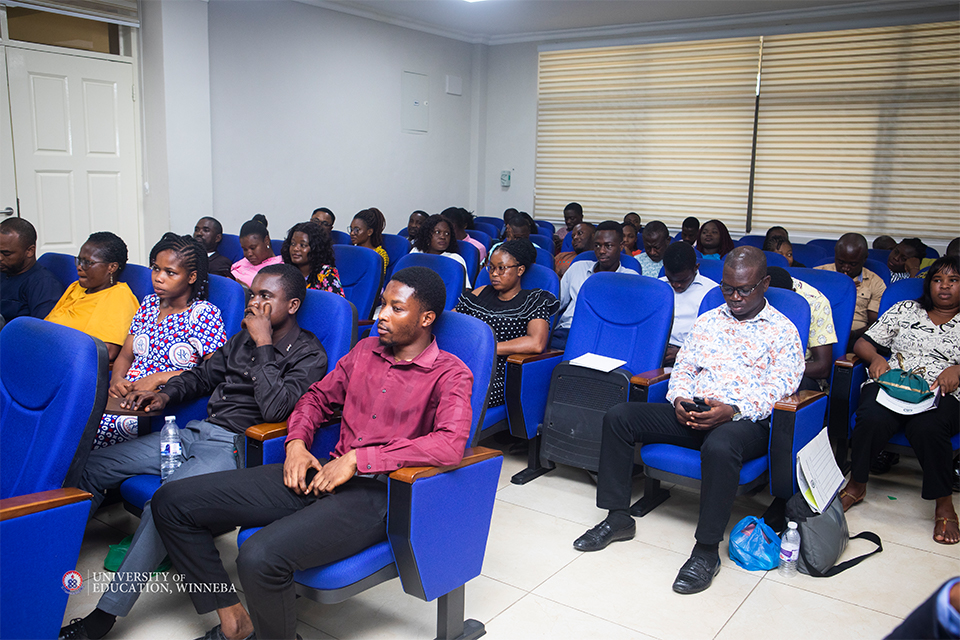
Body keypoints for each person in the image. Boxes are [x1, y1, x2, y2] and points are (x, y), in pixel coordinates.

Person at [150, 267, 473, 640]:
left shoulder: (451, 374)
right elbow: (315, 398)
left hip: (378, 494)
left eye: (396, 308)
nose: (382, 315)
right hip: (322, 472)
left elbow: (449, 444)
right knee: (171, 501)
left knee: (258, 557)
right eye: (382, 303)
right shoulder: (365, 351)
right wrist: (297, 444)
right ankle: (234, 620)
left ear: (426, 318)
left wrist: (359, 459)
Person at [58, 265, 327, 640]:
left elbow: (276, 410)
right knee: (92, 466)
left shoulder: (309, 354)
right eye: (253, 294)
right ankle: (50, 564)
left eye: (266, 296)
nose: (254, 303)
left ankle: (105, 614)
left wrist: (264, 344)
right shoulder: (241, 339)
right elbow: (202, 376)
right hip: (195, 432)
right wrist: (165, 394)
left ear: (293, 305)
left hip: (236, 447)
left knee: (164, 503)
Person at [572, 247, 804, 595]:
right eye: (728, 288)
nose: (735, 297)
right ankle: (617, 517)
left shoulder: (783, 331)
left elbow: (781, 388)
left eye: (744, 289)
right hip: (694, 410)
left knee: (720, 445)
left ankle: (706, 551)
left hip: (745, 422)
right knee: (620, 417)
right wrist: (679, 399)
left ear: (765, 283)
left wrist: (731, 410)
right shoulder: (709, 320)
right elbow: (683, 368)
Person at [838, 256, 959, 546]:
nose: (944, 286)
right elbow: (863, 342)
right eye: (938, 280)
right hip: (893, 383)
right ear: (928, 284)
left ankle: (943, 503)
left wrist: (958, 370)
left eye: (953, 281)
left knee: (927, 427)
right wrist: (876, 358)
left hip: (941, 391)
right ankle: (857, 484)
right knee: (872, 417)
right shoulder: (906, 309)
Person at [96, 234, 227, 449]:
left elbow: (215, 371)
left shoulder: (203, 314)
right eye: (156, 269)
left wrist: (157, 379)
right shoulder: (148, 305)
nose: (159, 277)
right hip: (125, 397)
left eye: (170, 272)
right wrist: (117, 380)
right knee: (75, 419)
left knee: (88, 433)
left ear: (192, 277)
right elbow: (126, 356)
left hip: (162, 402)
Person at [455, 240, 559, 407]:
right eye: (491, 268)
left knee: (453, 392)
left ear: (520, 270)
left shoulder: (534, 300)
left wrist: (488, 348)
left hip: (499, 372)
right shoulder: (481, 292)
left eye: (501, 268)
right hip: (465, 362)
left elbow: (536, 343)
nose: (494, 274)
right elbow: (451, 324)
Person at [45, 231, 139, 363]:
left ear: (112, 267)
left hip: (70, 363)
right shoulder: (76, 287)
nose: (79, 267)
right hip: (47, 352)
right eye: (79, 260)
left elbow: (106, 351)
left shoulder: (118, 297)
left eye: (88, 262)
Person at [551, 221, 638, 350]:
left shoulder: (631, 278)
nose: (601, 251)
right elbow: (556, 304)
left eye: (608, 246)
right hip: (568, 331)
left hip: (606, 336)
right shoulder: (577, 268)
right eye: (597, 245)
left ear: (621, 246)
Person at [767, 267, 837, 391]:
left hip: (801, 374)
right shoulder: (751, 294)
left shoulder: (815, 302)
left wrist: (774, 370)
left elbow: (823, 368)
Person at [815, 232, 886, 348]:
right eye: (841, 262)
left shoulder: (875, 282)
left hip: (855, 337)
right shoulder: (818, 274)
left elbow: (875, 324)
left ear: (865, 258)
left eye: (853, 264)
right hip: (819, 333)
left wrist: (853, 334)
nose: (845, 268)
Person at [660, 242, 717, 367]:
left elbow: (714, 340)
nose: (676, 285)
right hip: (657, 349)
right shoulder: (658, 287)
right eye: (671, 279)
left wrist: (683, 353)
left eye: (682, 280)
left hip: (691, 355)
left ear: (696, 267)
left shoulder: (711, 292)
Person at [0, 217, 64, 322]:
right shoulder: (4, 271)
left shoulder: (44, 284)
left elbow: (42, 328)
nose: (0, 258)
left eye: (6, 253)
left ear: (30, 251)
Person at [280, 221, 344, 296]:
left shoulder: (326, 273)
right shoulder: (286, 272)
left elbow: (338, 301)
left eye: (303, 245)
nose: (295, 248)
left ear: (316, 248)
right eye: (293, 244)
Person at [410, 214, 470, 289]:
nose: (443, 237)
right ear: (427, 234)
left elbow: (465, 289)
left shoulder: (455, 259)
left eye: (447, 233)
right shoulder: (416, 253)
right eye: (437, 232)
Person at [230, 215, 283, 288]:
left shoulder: (279, 268)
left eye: (253, 248)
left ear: (266, 241)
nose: (249, 254)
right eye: (245, 249)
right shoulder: (242, 262)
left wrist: (248, 291)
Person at [349, 207, 389, 276]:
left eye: (357, 230)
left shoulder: (379, 255)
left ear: (369, 232)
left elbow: (376, 278)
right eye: (351, 229)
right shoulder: (350, 251)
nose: (352, 233)